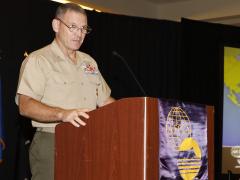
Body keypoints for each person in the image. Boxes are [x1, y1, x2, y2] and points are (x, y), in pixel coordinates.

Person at [15, 3, 115, 180]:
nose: (79, 34)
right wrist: (63, 114)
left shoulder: (89, 62)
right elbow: (25, 105)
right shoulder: (39, 60)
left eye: (84, 28)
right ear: (56, 25)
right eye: (73, 27)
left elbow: (106, 102)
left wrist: (134, 114)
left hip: (90, 141)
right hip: (53, 142)